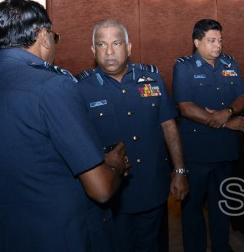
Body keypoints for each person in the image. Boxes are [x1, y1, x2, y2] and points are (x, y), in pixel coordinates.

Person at [0, 0, 128, 251]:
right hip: (65, 238)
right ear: (43, 35)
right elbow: (101, 189)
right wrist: (114, 165)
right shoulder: (53, 86)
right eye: (54, 37)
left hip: (5, 238)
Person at [76, 19, 189, 252]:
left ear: (128, 48)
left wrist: (179, 171)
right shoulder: (80, 88)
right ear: (93, 50)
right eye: (102, 45)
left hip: (152, 185)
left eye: (116, 43)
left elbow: (169, 126)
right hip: (112, 193)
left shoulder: (152, 79)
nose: (109, 52)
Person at [172, 19, 244, 252]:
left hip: (225, 150)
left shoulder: (230, 63)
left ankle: (221, 246)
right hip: (197, 152)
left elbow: (242, 97)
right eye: (212, 40)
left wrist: (228, 112)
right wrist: (227, 123)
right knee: (192, 207)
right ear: (197, 42)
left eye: (220, 40)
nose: (218, 45)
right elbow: (186, 108)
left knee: (222, 205)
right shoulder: (184, 67)